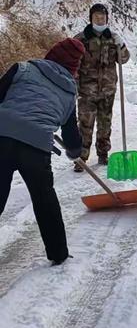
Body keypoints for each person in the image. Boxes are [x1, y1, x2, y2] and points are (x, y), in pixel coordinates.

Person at [0, 39, 85, 265]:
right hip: (36, 147)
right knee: (44, 198)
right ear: (73, 68)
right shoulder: (69, 94)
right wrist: (75, 151)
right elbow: (71, 135)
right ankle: (58, 254)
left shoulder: (22, 68)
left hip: (2, 136)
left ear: (51, 55)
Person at [73, 3, 130, 172]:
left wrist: (122, 46)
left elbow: (124, 60)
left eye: (103, 17)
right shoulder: (80, 39)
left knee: (105, 124)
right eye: (97, 17)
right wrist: (74, 86)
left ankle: (103, 154)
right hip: (87, 91)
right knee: (85, 124)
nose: (100, 20)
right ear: (91, 18)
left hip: (107, 90)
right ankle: (81, 158)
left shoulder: (113, 38)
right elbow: (74, 64)